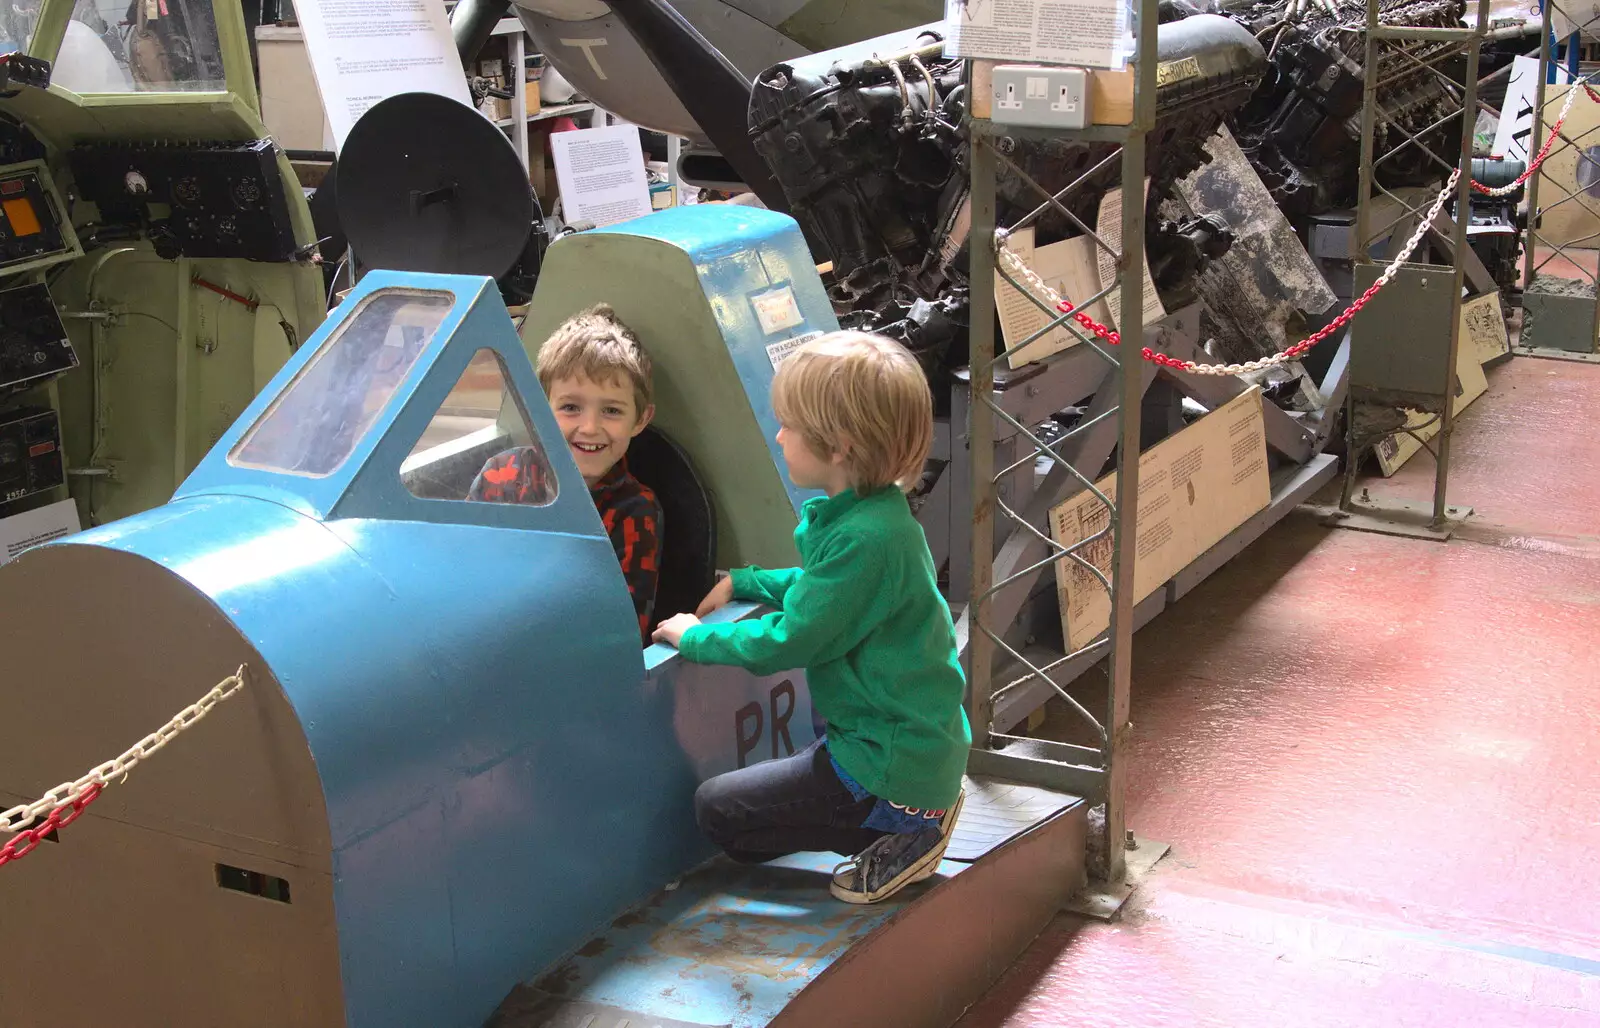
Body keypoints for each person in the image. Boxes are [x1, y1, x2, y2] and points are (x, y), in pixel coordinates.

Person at [652, 331, 970, 905]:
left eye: (789, 426)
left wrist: (697, 640)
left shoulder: (868, 539)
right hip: (904, 742)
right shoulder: (874, 518)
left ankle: (905, 829)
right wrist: (747, 581)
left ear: (840, 445)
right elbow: (823, 592)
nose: (778, 437)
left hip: (889, 764)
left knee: (723, 817)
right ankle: (909, 804)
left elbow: (791, 638)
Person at [470, 304, 662, 643]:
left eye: (612, 410)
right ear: (541, 406)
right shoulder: (499, 475)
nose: (589, 427)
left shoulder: (635, 512)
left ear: (641, 420)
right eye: (571, 407)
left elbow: (623, 633)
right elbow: (456, 568)